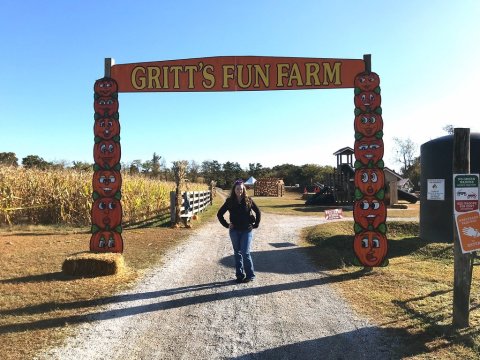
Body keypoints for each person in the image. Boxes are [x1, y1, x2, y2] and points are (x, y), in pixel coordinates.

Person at [217, 179, 261, 283]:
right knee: (237, 253)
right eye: (237, 189)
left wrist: (255, 225)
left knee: (245, 252)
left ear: (243, 189)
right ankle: (239, 275)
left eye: (241, 189)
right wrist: (227, 225)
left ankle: (250, 275)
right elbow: (219, 214)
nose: (239, 191)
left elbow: (258, 212)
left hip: (247, 230)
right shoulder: (229, 201)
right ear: (234, 189)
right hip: (234, 231)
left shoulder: (248, 200)